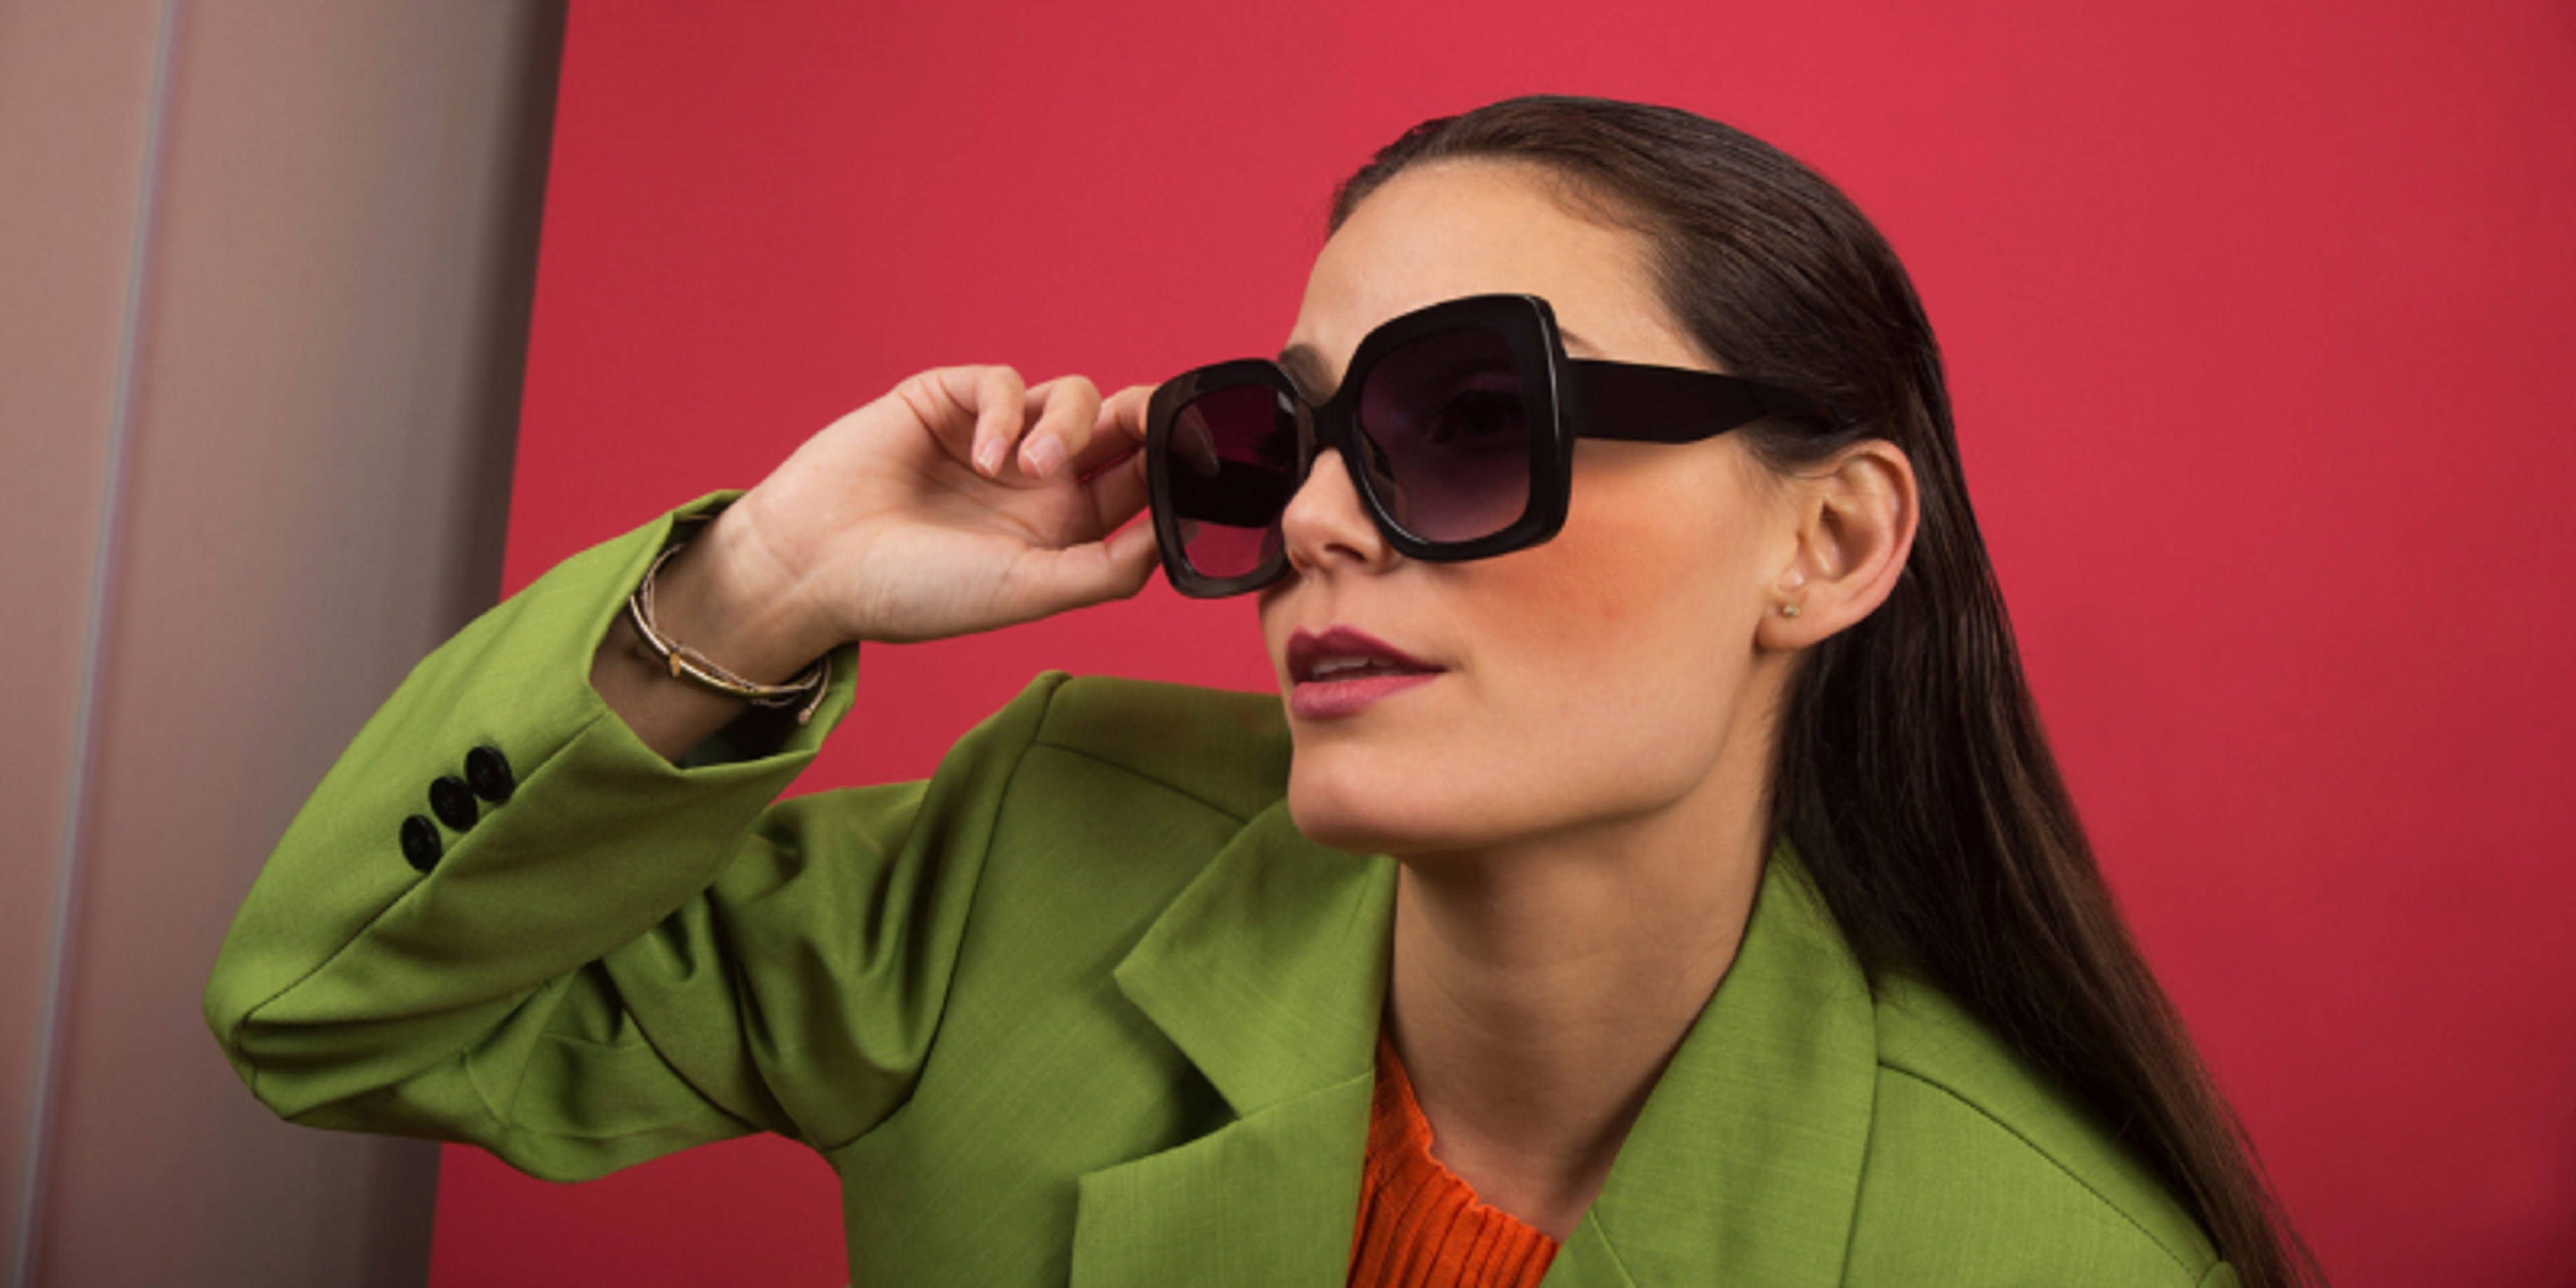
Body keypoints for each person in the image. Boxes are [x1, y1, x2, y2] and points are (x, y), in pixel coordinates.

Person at [206, 96, 2316, 1286]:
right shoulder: (1044, 854)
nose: (1315, 518)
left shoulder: (2048, 1259)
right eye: (1275, 434)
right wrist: (766, 579)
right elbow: (329, 1009)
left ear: (1829, 544)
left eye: (1468, 417)